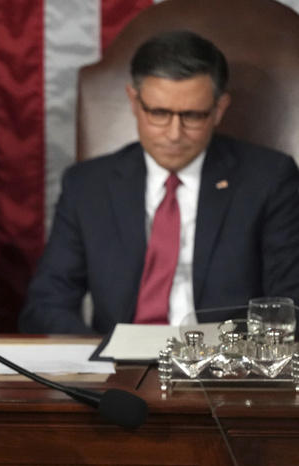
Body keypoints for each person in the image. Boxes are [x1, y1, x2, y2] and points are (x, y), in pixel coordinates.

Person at [19, 30, 299, 335]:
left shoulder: (269, 179)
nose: (174, 133)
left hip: (225, 368)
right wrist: (97, 357)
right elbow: (46, 305)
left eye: (192, 116)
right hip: (116, 367)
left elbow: (289, 303)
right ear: (134, 102)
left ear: (219, 109)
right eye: (159, 113)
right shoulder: (87, 185)